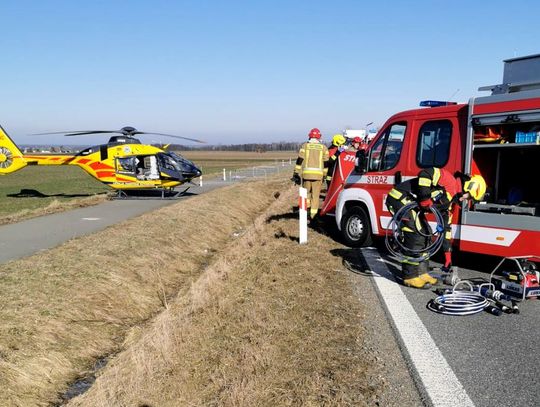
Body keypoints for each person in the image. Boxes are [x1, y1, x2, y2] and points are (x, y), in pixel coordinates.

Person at [385, 168, 486, 289]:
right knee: (415, 233)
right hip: (398, 199)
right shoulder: (448, 180)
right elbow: (425, 173)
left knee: (427, 233)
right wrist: (424, 197)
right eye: (469, 197)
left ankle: (422, 273)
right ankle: (410, 276)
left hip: (410, 204)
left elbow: (446, 229)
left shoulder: (449, 203)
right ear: (469, 187)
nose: (466, 200)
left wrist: (447, 254)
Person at [292, 128, 330, 219]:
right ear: (319, 137)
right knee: (315, 196)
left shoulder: (305, 146)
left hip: (306, 175)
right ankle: (313, 215)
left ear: (310, 136)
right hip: (318, 176)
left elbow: (300, 160)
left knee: (306, 194)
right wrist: (324, 175)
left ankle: (305, 211)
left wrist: (296, 172)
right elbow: (326, 163)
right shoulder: (324, 148)